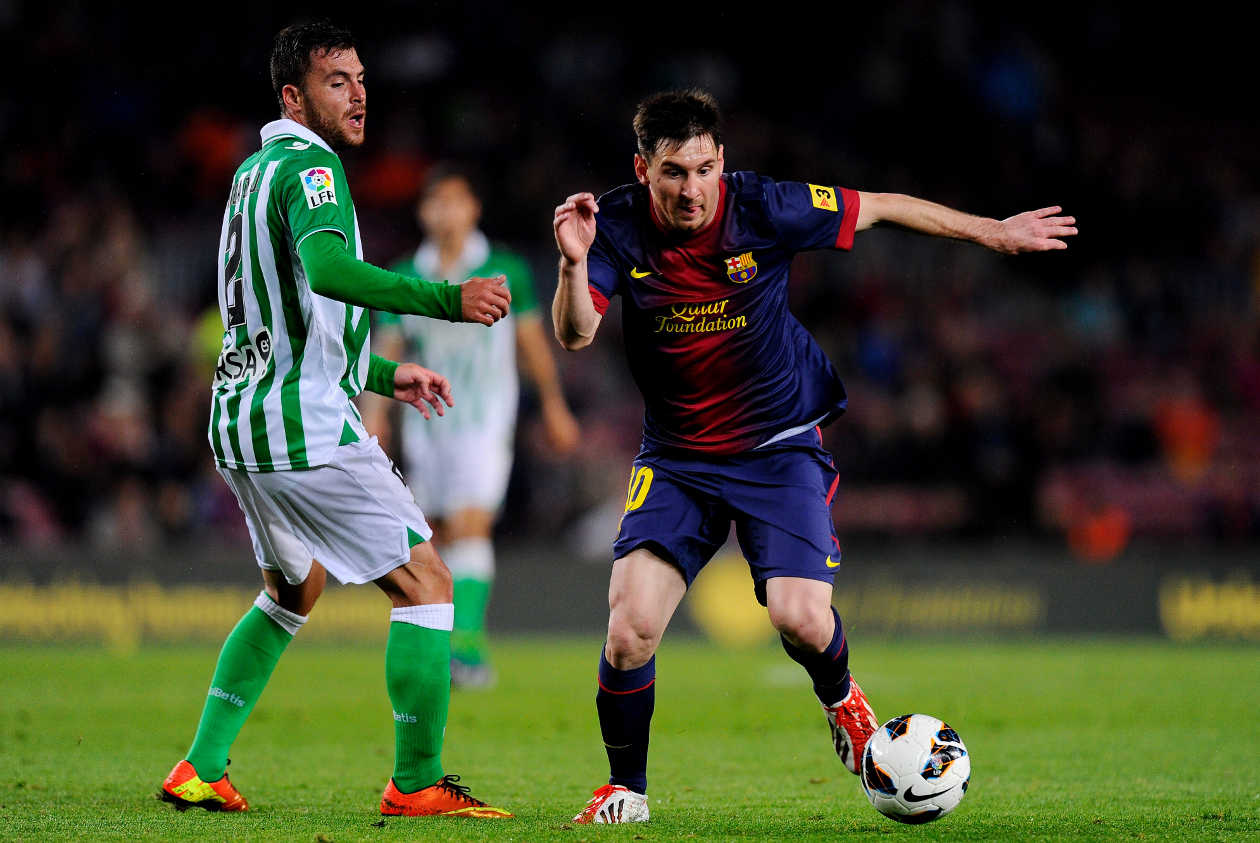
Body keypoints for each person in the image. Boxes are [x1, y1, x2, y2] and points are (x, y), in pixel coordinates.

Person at [551, 88, 1077, 824]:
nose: (691, 188)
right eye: (673, 172)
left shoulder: (765, 205)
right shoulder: (612, 227)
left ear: (721, 161)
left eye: (704, 168)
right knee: (629, 627)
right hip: (677, 457)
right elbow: (575, 335)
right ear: (642, 168)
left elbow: (885, 205)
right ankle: (624, 788)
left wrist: (991, 232)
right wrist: (574, 265)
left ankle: (843, 700)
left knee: (800, 615)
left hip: (776, 444)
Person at [158, 21, 515, 820]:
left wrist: (387, 372)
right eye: (335, 82)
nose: (358, 94)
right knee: (428, 582)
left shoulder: (252, 174)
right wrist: (445, 300)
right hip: (303, 426)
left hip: (241, 420)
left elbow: (291, 317)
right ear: (293, 96)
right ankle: (417, 782)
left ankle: (201, 767)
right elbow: (327, 272)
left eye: (360, 78)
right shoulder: (312, 166)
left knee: (295, 587)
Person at [366, 165, 579, 688]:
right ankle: (447, 642)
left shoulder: (504, 269)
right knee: (437, 533)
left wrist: (553, 403)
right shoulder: (404, 273)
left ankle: (469, 649)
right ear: (423, 213)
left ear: (473, 209)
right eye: (436, 203)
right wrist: (375, 417)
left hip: (484, 420)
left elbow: (530, 341)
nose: (446, 213)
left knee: (470, 524)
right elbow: (387, 348)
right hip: (428, 423)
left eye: (456, 202)